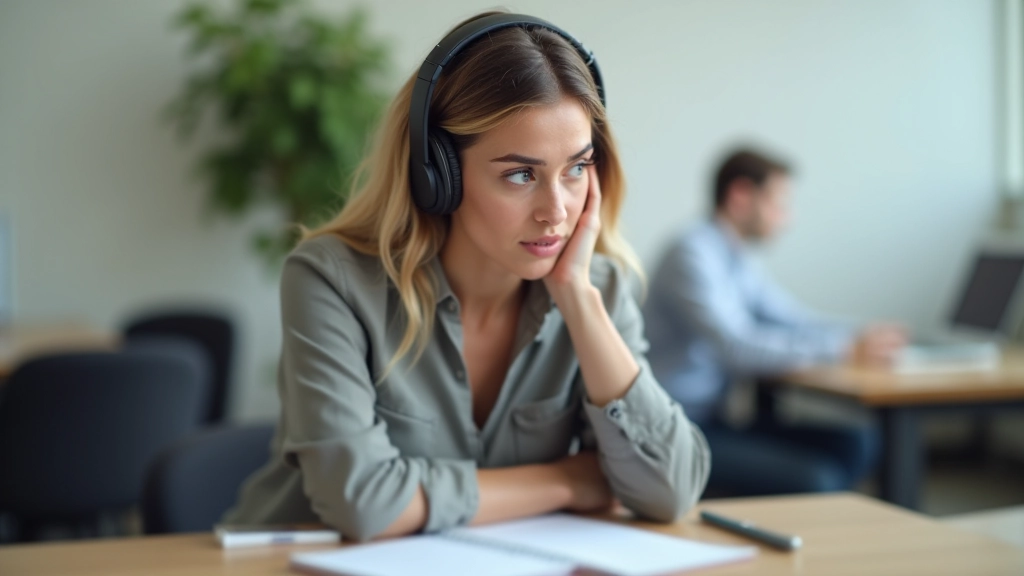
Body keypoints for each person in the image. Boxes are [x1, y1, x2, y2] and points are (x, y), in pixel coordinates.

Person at [223, 12, 710, 541]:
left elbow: (671, 492)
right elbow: (362, 503)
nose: (557, 211)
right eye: (521, 174)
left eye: (575, 168)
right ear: (438, 176)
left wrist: (577, 299)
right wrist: (567, 481)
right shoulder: (332, 282)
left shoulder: (598, 288)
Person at [644, 147, 905, 495]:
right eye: (778, 205)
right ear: (740, 196)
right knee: (817, 479)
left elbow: (790, 318)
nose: (786, 219)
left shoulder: (736, 257)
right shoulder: (691, 253)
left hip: (715, 420)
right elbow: (735, 346)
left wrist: (862, 334)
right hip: (676, 428)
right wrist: (844, 348)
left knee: (857, 442)